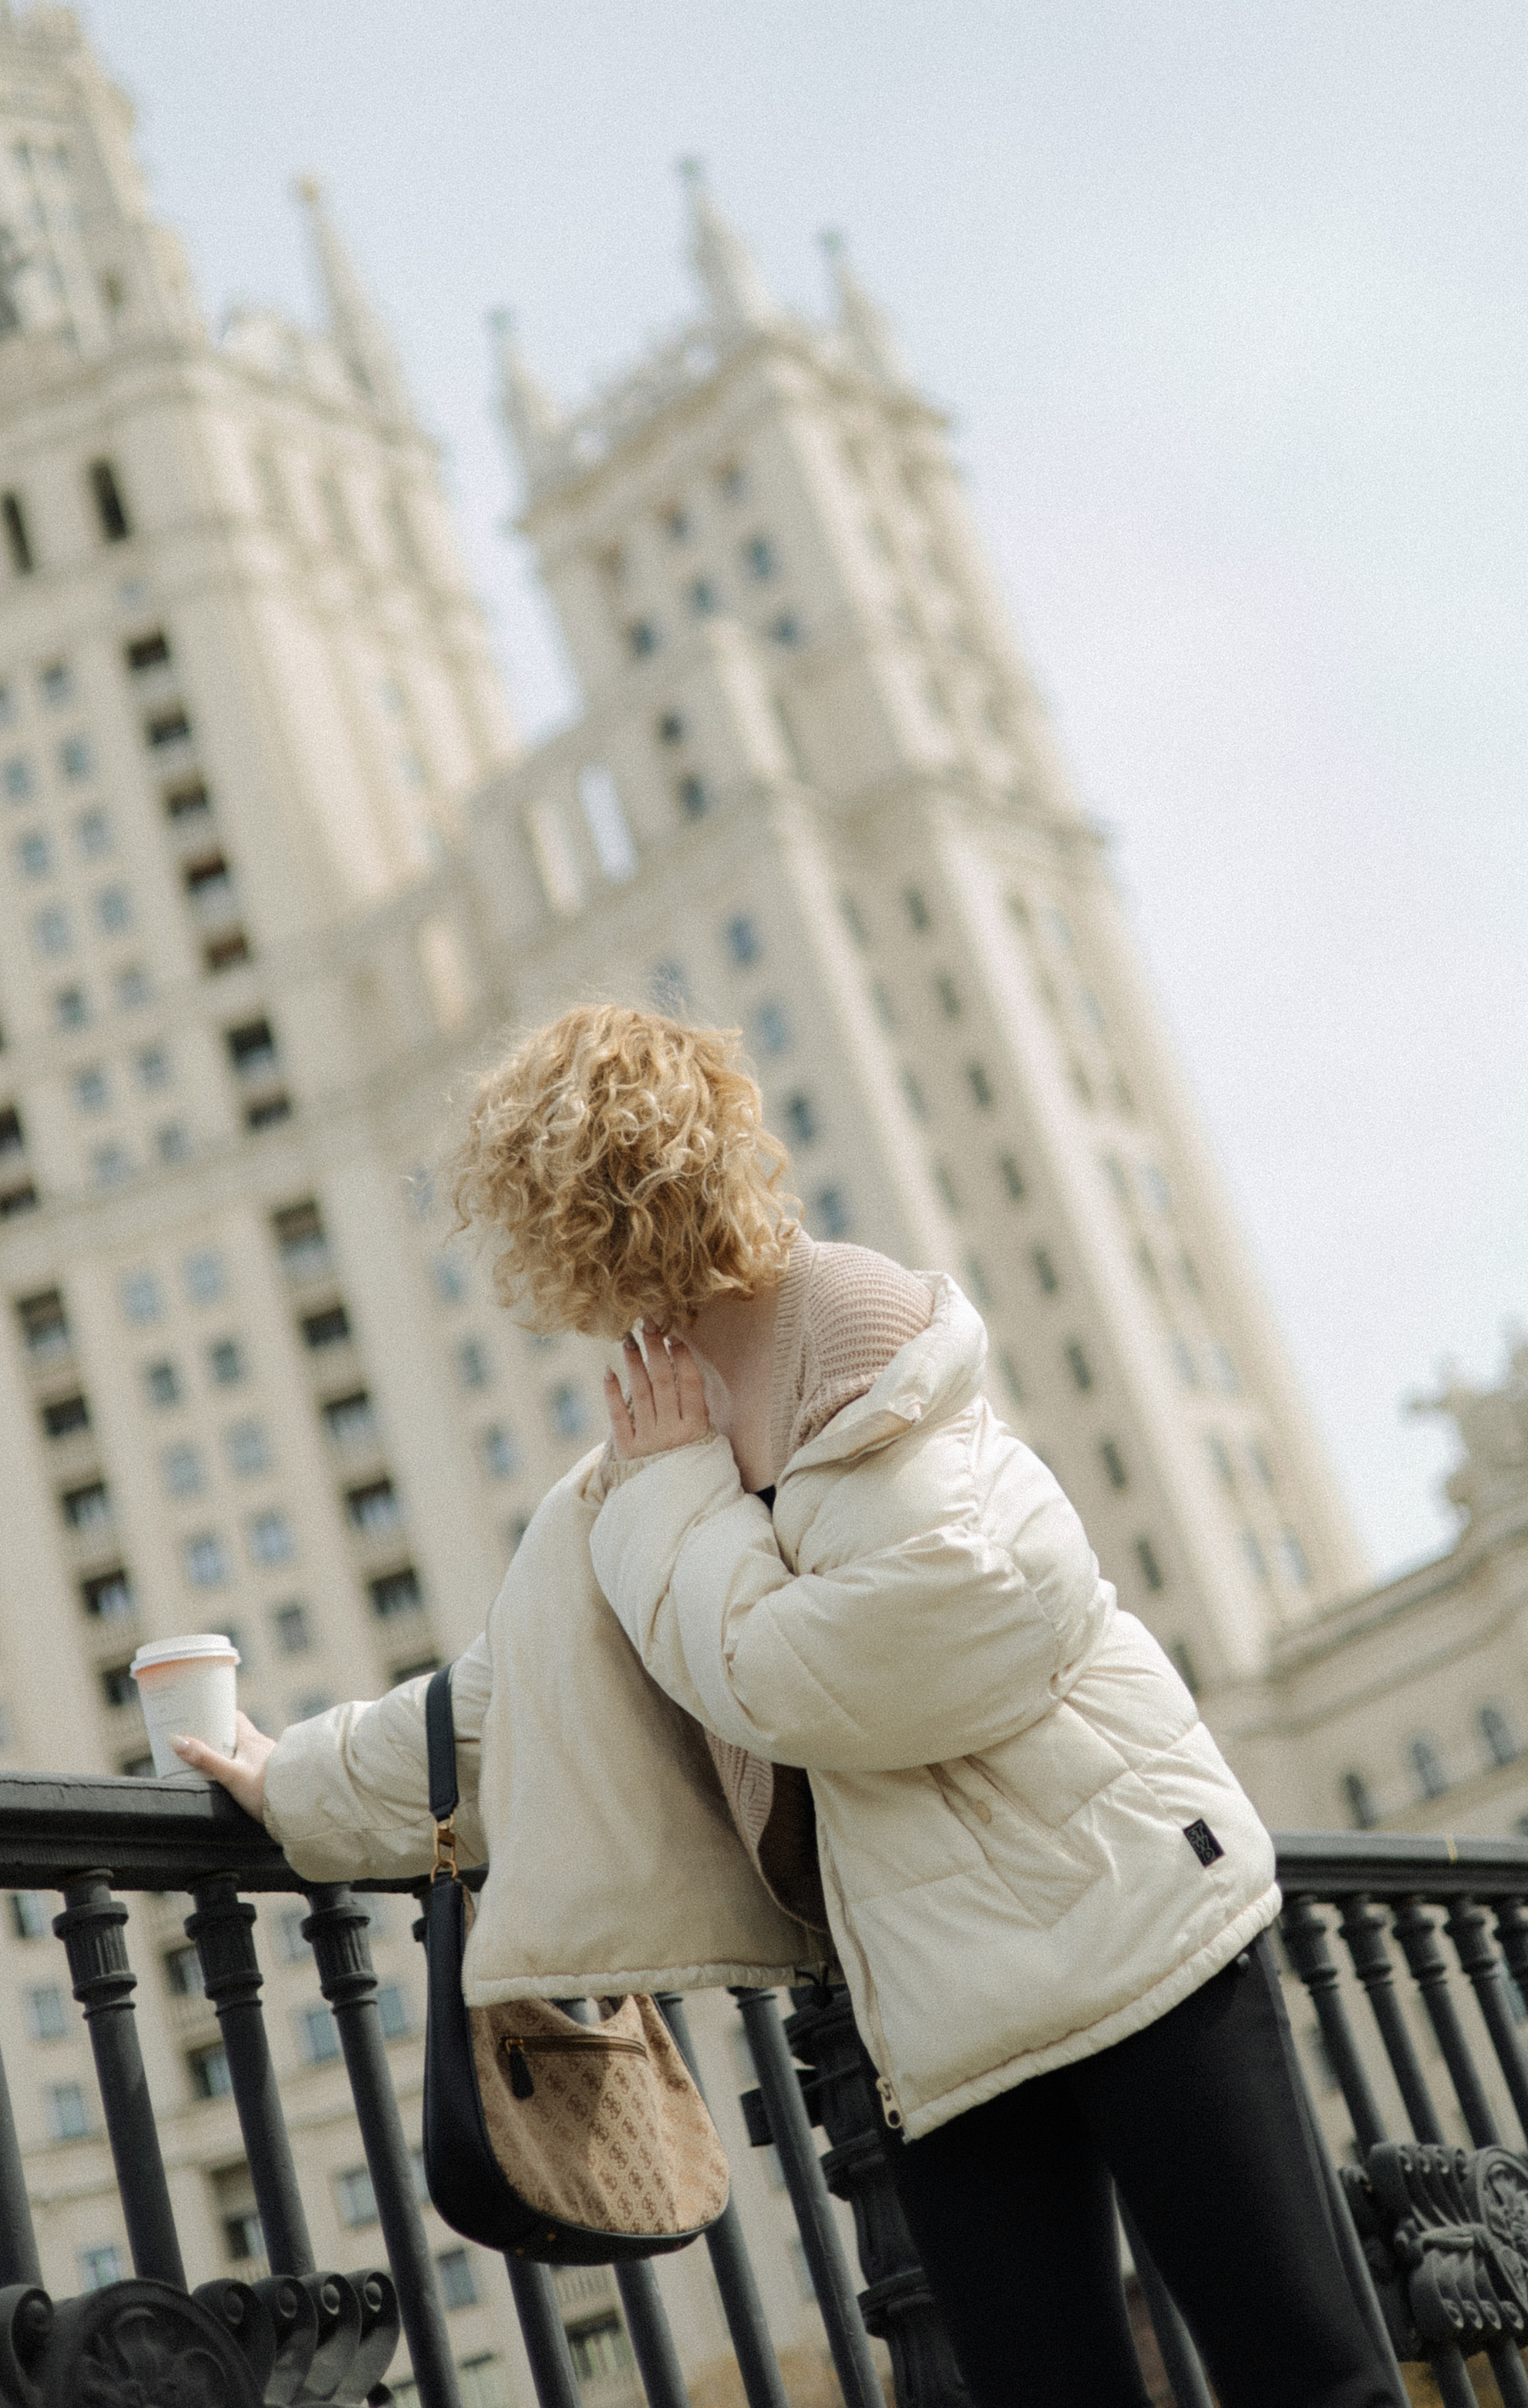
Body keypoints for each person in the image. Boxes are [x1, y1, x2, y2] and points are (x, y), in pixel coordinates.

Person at [180, 1004, 1397, 2408]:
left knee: (1308, 2375)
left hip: (1135, 1922)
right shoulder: (653, 1434)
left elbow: (883, 1653)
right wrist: (290, 1778)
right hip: (937, 2009)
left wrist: (682, 1501)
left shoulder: (849, 1327)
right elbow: (511, 1705)